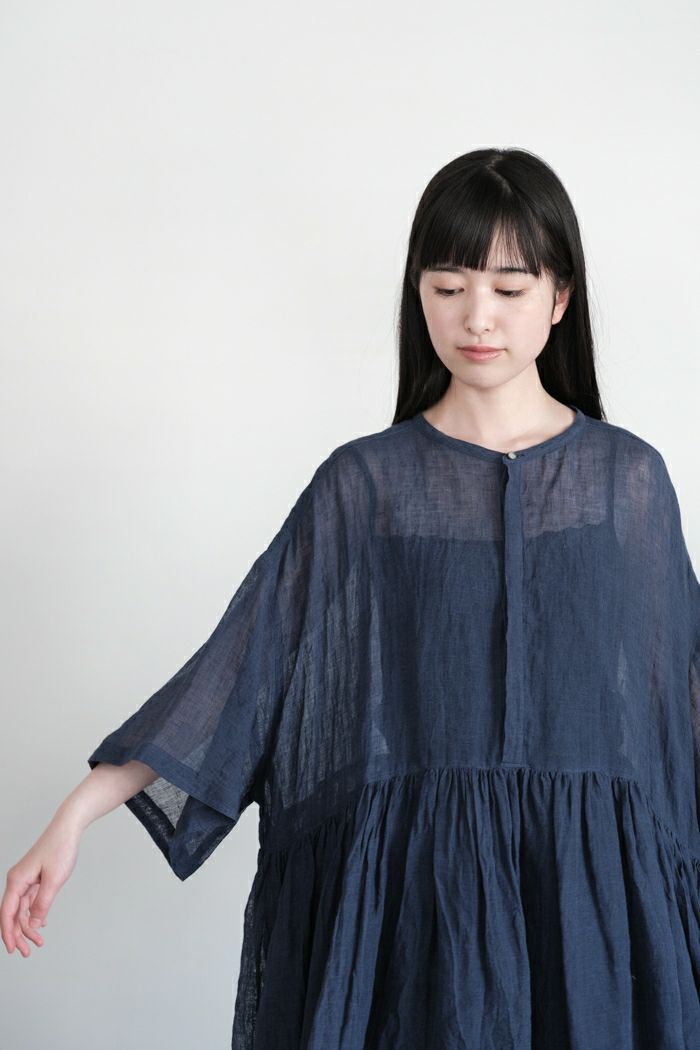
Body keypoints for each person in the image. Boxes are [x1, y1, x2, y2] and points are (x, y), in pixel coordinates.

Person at [4, 146, 700, 1048]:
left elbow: (679, 706)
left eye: (508, 288)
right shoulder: (365, 488)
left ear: (560, 298)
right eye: (448, 286)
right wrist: (76, 813)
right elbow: (246, 668)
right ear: (418, 293)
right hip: (417, 920)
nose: (477, 317)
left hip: (590, 916)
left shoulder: (626, 484)